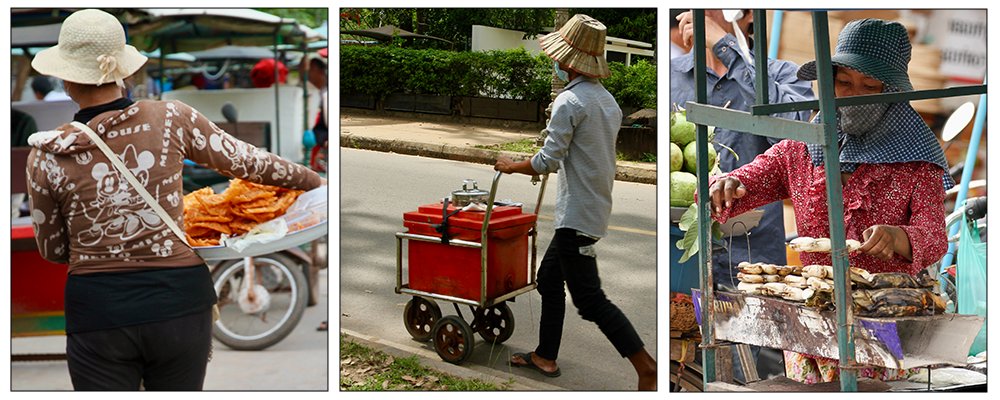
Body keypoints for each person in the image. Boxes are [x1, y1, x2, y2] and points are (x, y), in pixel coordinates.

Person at [24, 9, 323, 391]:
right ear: (125, 73)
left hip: (98, 311)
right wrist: (314, 180)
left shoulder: (46, 156)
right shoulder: (172, 118)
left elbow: (52, 249)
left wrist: (103, 247)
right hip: (179, 305)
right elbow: (249, 162)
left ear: (67, 80)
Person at [707, 18, 951, 384]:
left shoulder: (917, 164)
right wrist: (725, 185)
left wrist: (899, 237)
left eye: (870, 86)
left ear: (894, 92)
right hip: (811, 331)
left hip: (884, 333)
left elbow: (934, 237)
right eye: (843, 82)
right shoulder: (800, 149)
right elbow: (744, 181)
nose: (853, 95)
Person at [494, 14, 656, 391]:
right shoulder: (607, 101)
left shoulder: (570, 100)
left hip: (577, 217)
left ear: (567, 61)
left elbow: (547, 160)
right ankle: (544, 357)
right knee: (548, 280)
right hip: (589, 209)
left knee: (589, 300)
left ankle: (645, 366)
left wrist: (511, 165)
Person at [670, 9, 815, 382]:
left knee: (762, 368)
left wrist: (727, 47)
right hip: (685, 252)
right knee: (688, 360)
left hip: (753, 252)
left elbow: (798, 138)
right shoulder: (672, 78)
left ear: (743, 13)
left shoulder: (782, 75)